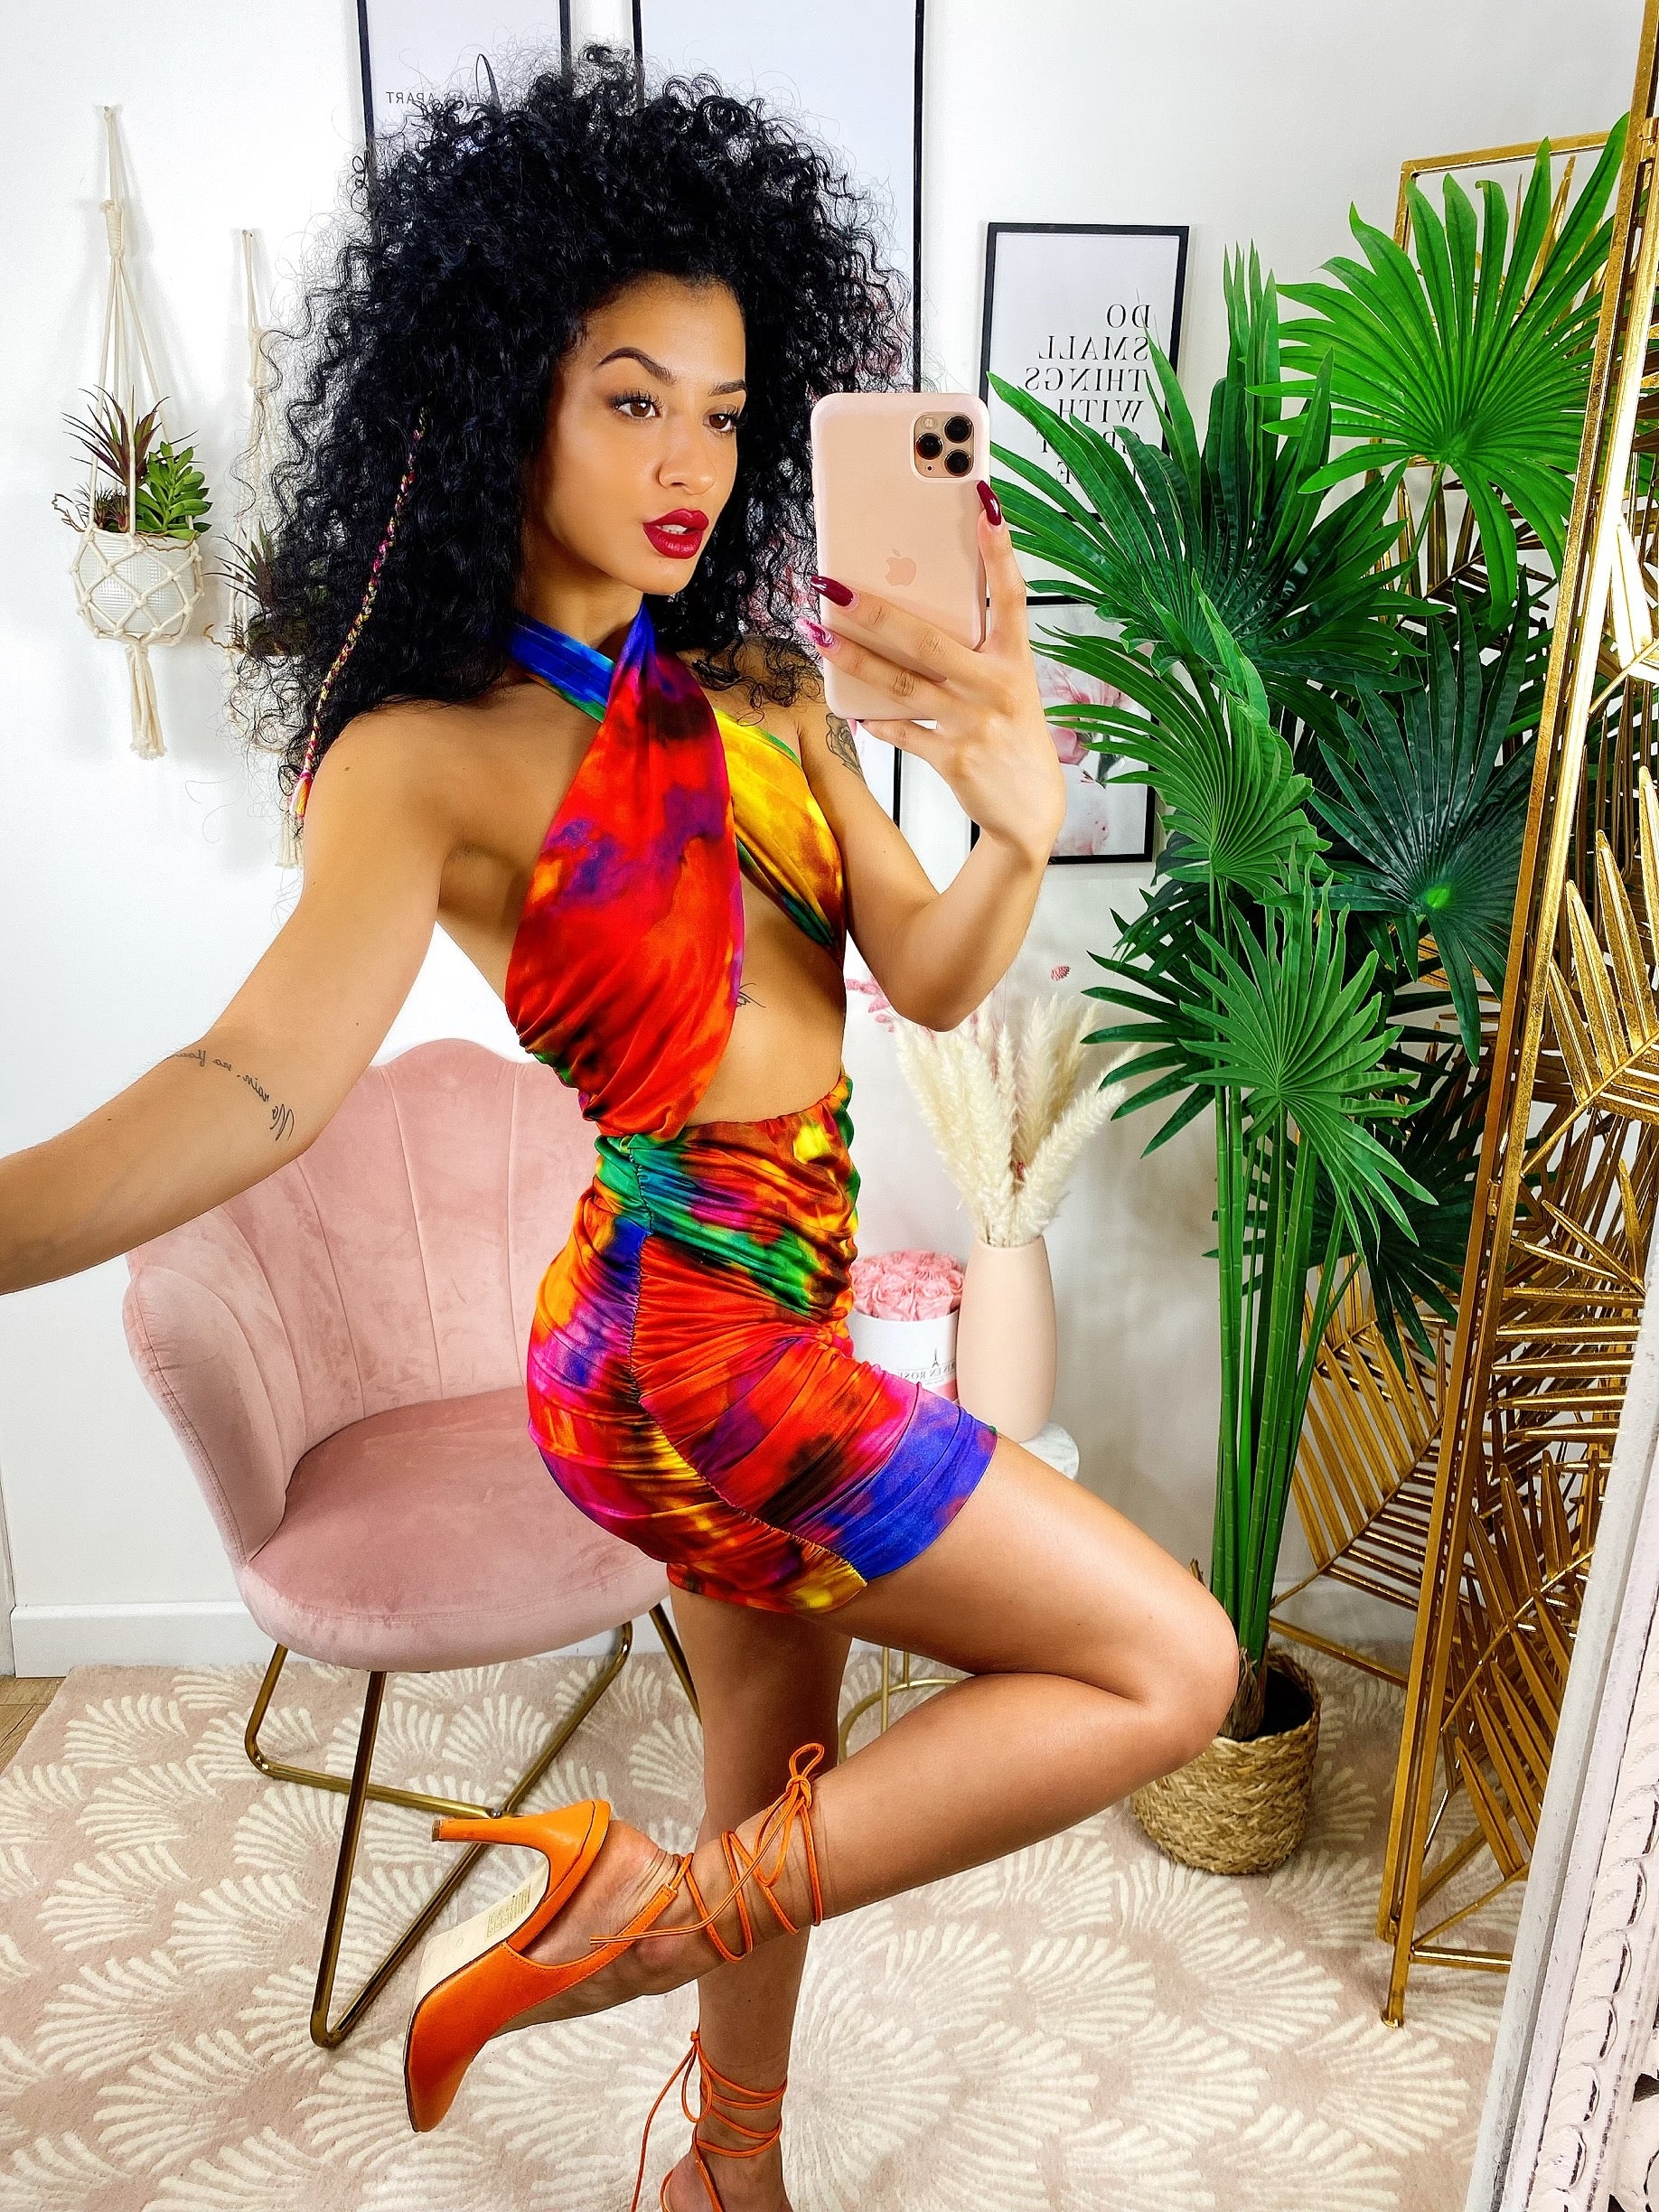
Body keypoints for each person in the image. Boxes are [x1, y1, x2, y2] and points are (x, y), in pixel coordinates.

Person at [0, 48, 1241, 2212]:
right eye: (632, 398)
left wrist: (1022, 819)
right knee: (1172, 1662)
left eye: (729, 414)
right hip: (685, 1352)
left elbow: (932, 976)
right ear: (504, 397)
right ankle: (637, 1924)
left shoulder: (760, 689)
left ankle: (724, 2173)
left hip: (759, 1315)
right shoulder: (423, 754)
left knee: (780, 1758)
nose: (691, 462)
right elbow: (260, 1078)